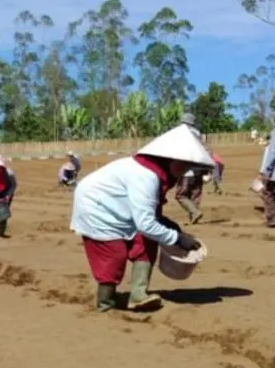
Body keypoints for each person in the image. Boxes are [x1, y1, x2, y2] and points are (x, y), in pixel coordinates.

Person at [70, 125, 211, 312]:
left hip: (120, 209)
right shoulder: (146, 176)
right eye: (183, 163)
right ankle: (105, 303)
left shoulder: (157, 173)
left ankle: (138, 294)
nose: (186, 169)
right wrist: (178, 239)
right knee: (114, 255)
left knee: (147, 241)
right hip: (96, 210)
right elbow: (146, 223)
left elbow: (150, 214)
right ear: (168, 159)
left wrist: (171, 228)